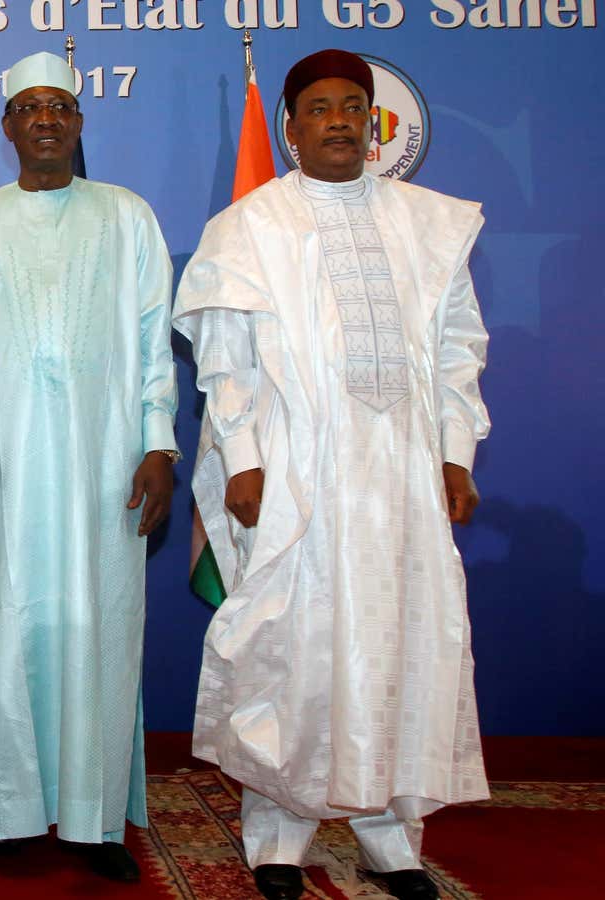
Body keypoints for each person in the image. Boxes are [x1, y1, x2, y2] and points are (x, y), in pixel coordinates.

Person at [174, 49, 491, 900]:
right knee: (292, 646)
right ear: (291, 126)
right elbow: (224, 361)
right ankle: (279, 837)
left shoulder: (430, 224)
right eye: (321, 107)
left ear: (375, 125)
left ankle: (393, 838)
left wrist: (455, 451)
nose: (342, 120)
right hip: (296, 469)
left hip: (400, 476)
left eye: (356, 106)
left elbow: (460, 351)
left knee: (403, 643)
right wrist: (242, 461)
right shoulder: (251, 228)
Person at [0, 51, 179, 882]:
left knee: (97, 626)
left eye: (60, 106)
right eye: (29, 106)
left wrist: (158, 444)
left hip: (103, 465)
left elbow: (152, 345)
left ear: (79, 122)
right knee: (1, 629)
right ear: (6, 125)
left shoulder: (126, 216)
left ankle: (95, 822)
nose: (45, 118)